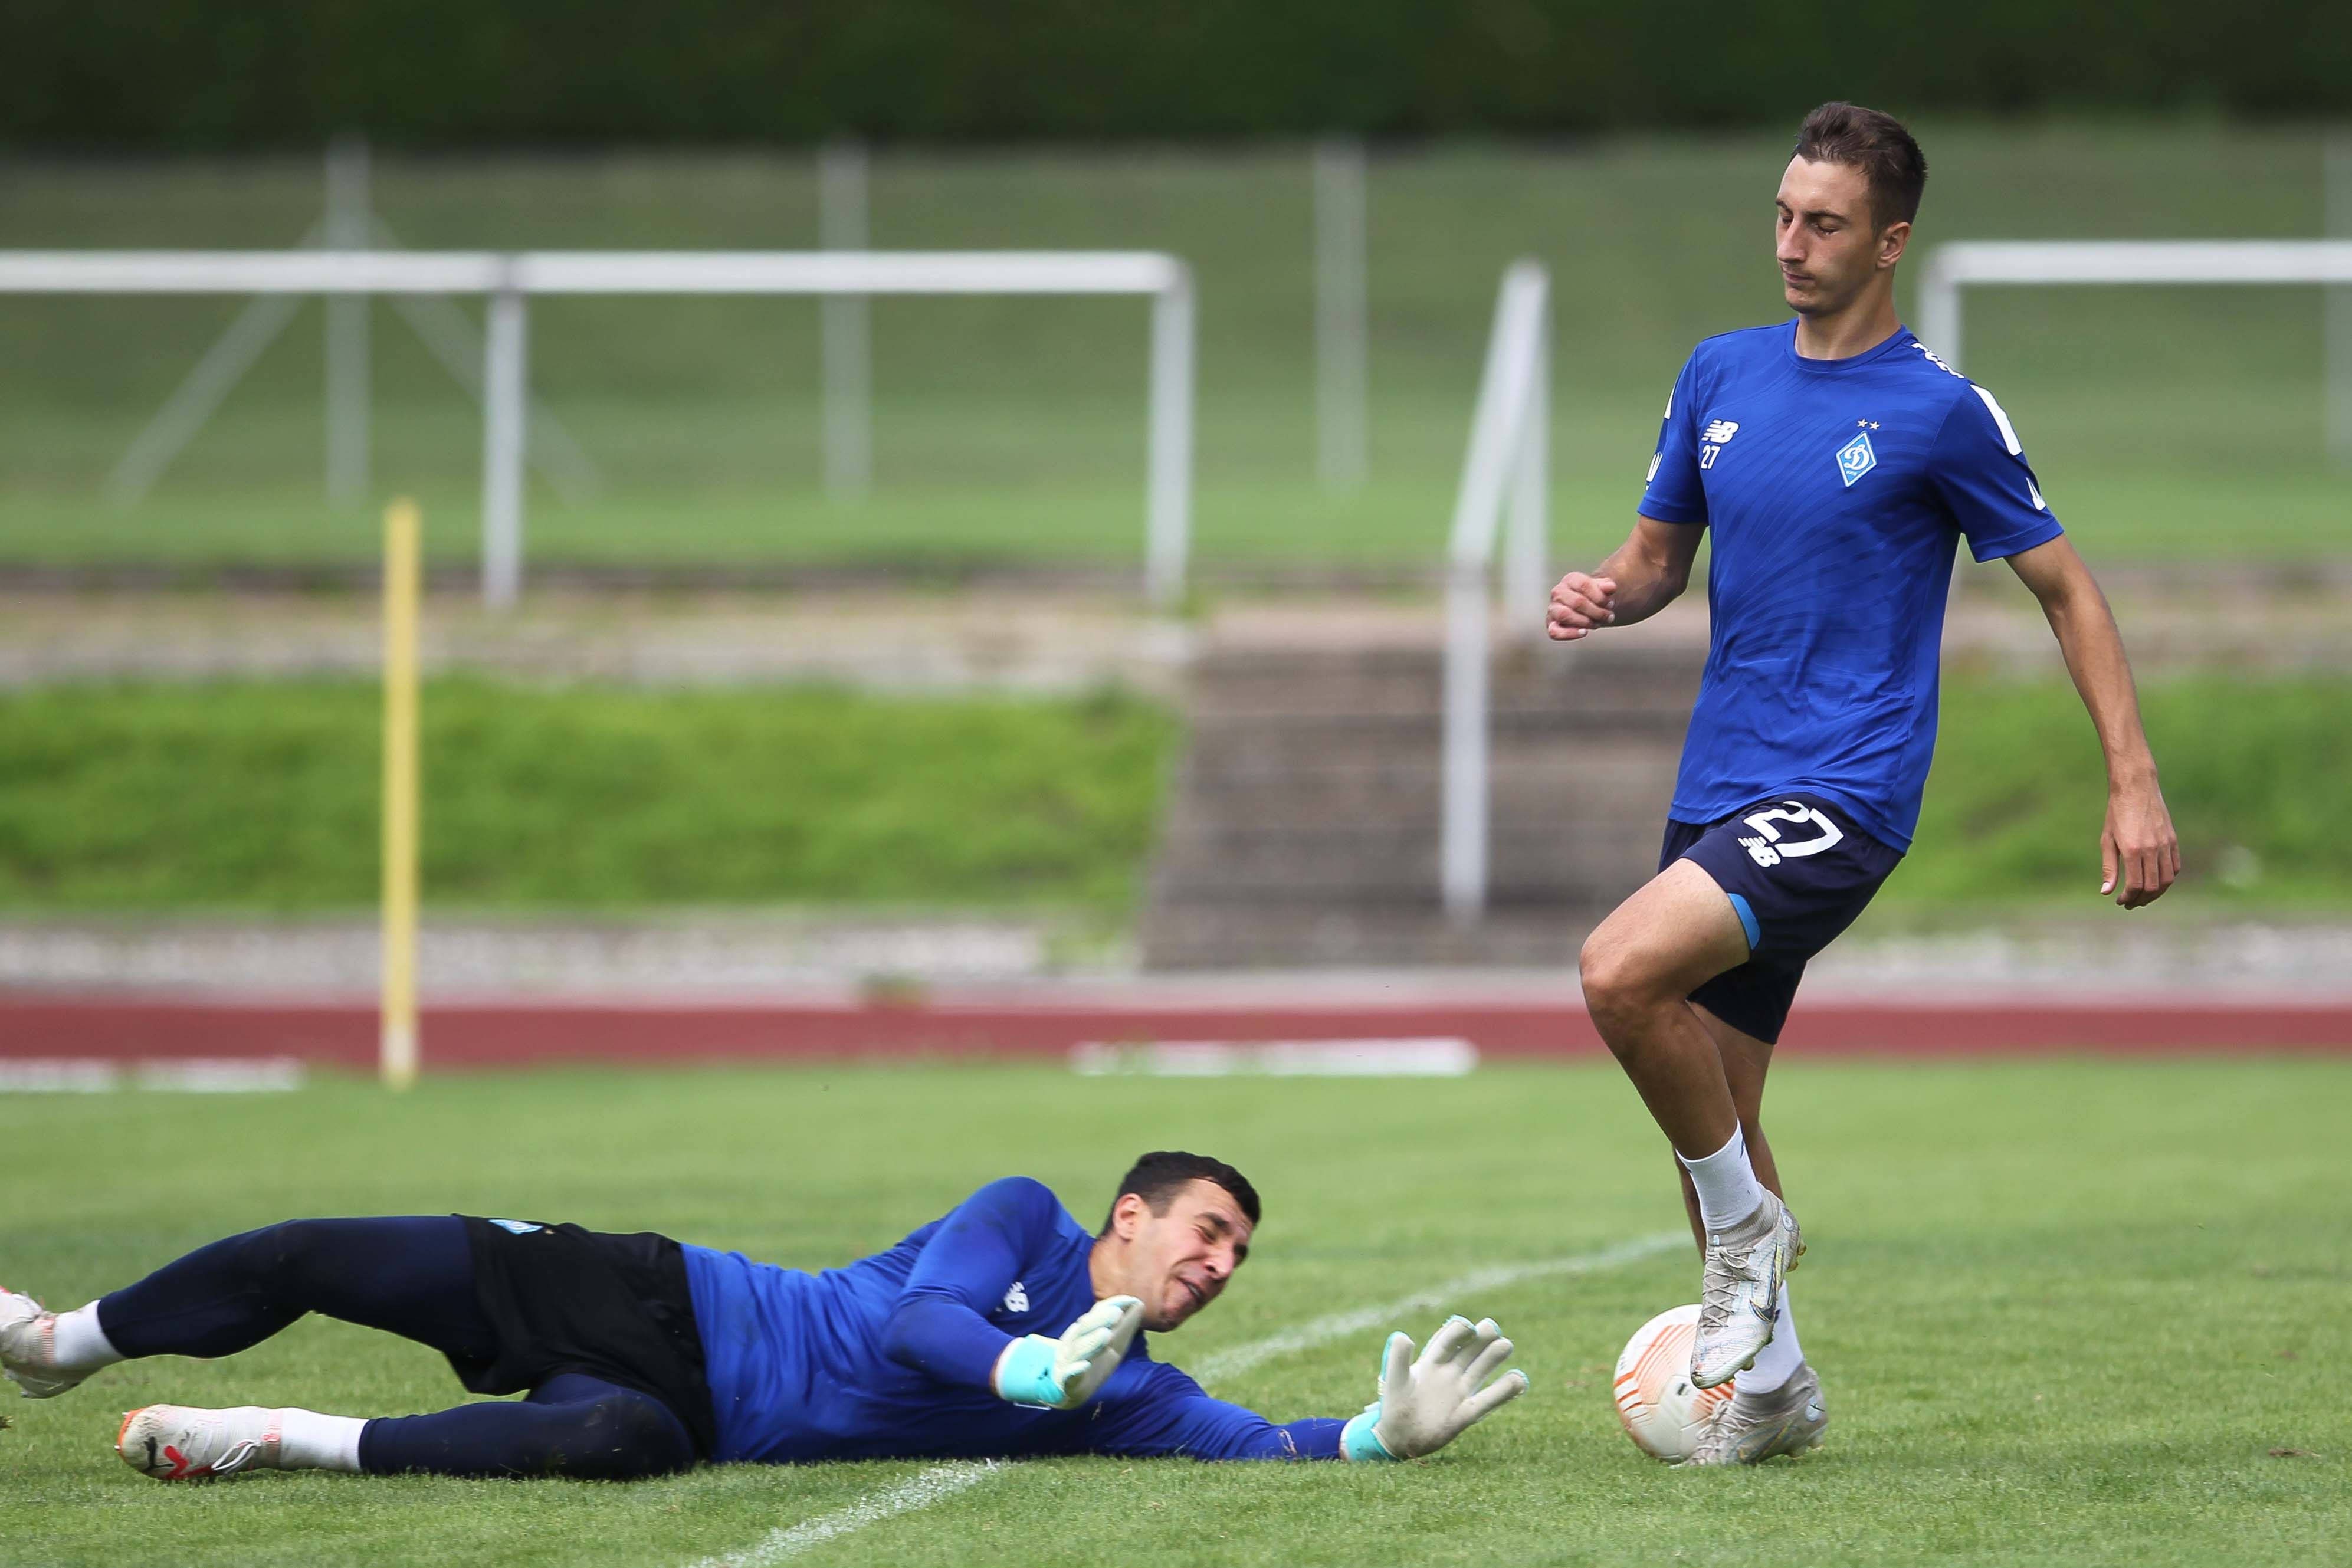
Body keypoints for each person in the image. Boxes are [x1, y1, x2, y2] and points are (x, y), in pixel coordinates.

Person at [1546, 103, 2179, 1466]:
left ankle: (1747, 1243)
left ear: (1887, 241)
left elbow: (2066, 590)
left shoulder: (1939, 412)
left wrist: (2130, 782)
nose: (1790, 241)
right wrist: (1608, 593)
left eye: (1822, 222)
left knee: (1615, 975)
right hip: (1718, 781)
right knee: (1709, 1106)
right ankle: (1772, 1392)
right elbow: (1661, 557)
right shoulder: (1716, 375)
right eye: (1780, 214)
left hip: (1844, 787)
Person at [2, 1150, 1527, 1480]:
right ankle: (61, 1345)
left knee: (612, 1440)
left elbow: (1257, 1440)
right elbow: (928, 1328)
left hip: (692, 1413)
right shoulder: (1017, 1217)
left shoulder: (1135, 1396)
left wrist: (1374, 1439)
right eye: (1208, 1233)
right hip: (661, 1289)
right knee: (311, 1249)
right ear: (1129, 1214)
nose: (1218, 1267)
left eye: (1239, 1260)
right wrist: (1028, 1364)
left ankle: (276, 1436)